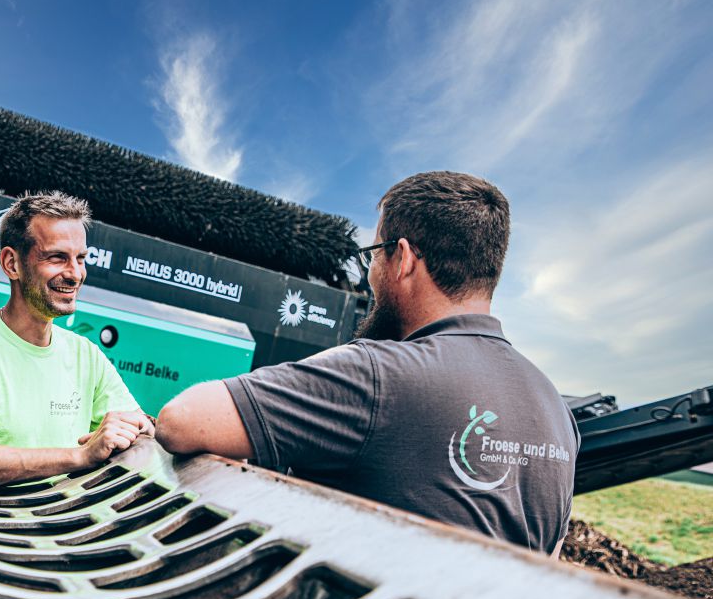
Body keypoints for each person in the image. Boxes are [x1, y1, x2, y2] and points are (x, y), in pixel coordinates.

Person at [155, 171, 577, 555]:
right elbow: (551, 557)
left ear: (404, 259)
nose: (371, 273)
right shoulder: (557, 411)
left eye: (374, 254)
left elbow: (182, 421)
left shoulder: (378, 374)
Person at [0, 191, 151, 486]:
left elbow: (143, 432)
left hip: (57, 515)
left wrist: (137, 429)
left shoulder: (86, 356)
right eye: (57, 257)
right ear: (12, 263)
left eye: (81, 259)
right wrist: (79, 456)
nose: (75, 274)